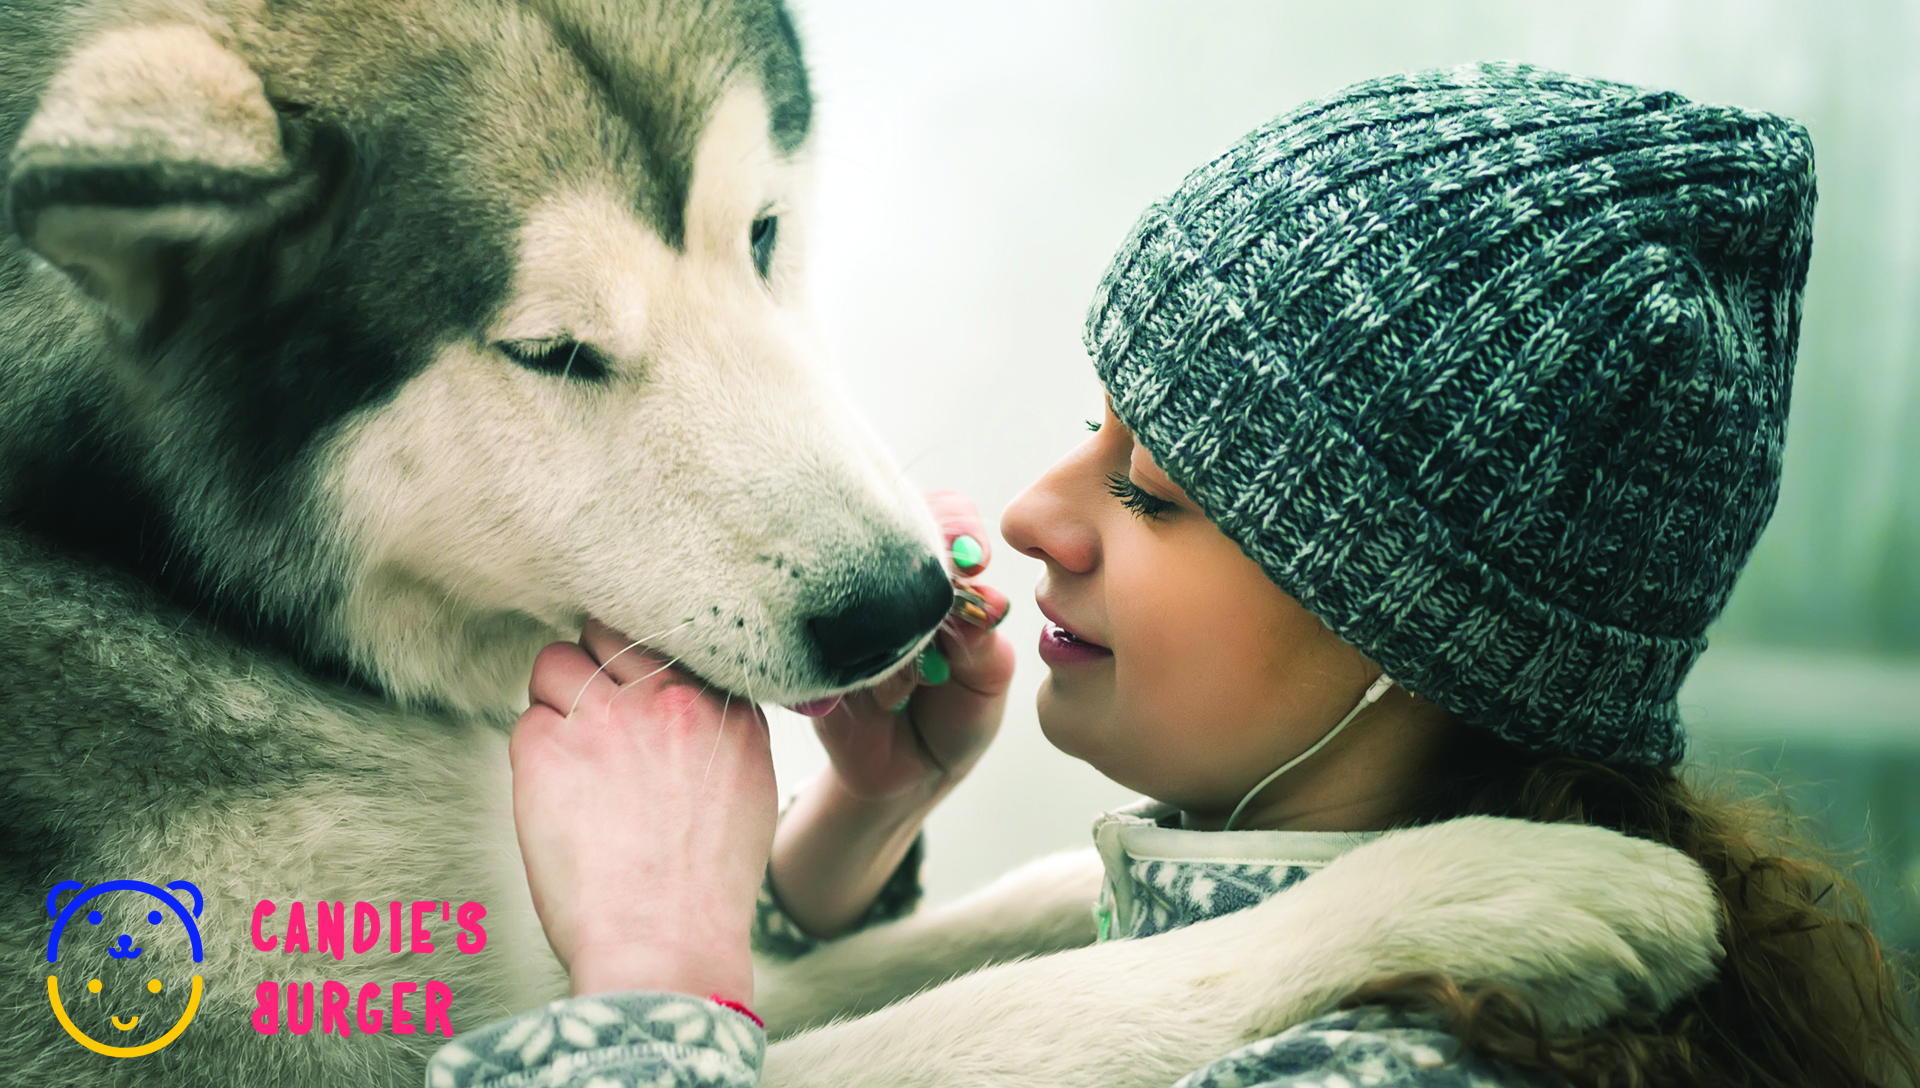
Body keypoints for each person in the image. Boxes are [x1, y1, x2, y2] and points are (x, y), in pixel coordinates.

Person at [429, 62, 1919, 1088]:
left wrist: (650, 985)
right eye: (1097, 429)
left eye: (1154, 493)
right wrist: (856, 831)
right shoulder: (1225, 937)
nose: (1034, 514)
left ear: (1413, 622)